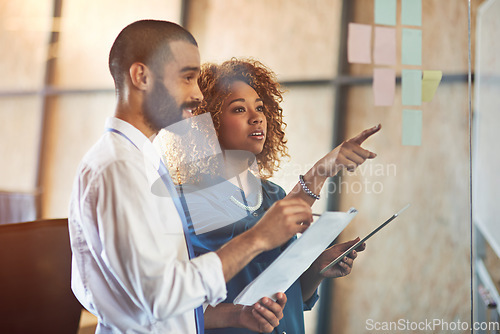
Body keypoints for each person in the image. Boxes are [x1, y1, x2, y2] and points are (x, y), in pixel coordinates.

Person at [68, 21, 316, 334]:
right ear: (141, 77)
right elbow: (160, 297)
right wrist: (258, 238)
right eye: (187, 78)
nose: (198, 95)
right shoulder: (118, 167)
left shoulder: (142, 160)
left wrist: (236, 316)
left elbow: (168, 292)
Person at [161, 58, 381, 333]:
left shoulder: (272, 194)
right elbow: (176, 309)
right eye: (239, 109)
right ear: (208, 123)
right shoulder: (189, 201)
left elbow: (290, 297)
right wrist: (322, 169)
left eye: (260, 108)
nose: (257, 117)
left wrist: (315, 271)